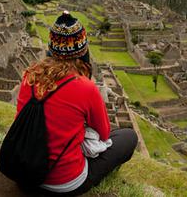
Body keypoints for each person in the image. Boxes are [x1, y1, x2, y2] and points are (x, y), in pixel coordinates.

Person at [16, 11, 138, 196]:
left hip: (24, 173)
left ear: (51, 49)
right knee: (128, 137)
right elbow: (104, 133)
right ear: (83, 51)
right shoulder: (85, 87)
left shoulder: (30, 76)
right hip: (63, 184)